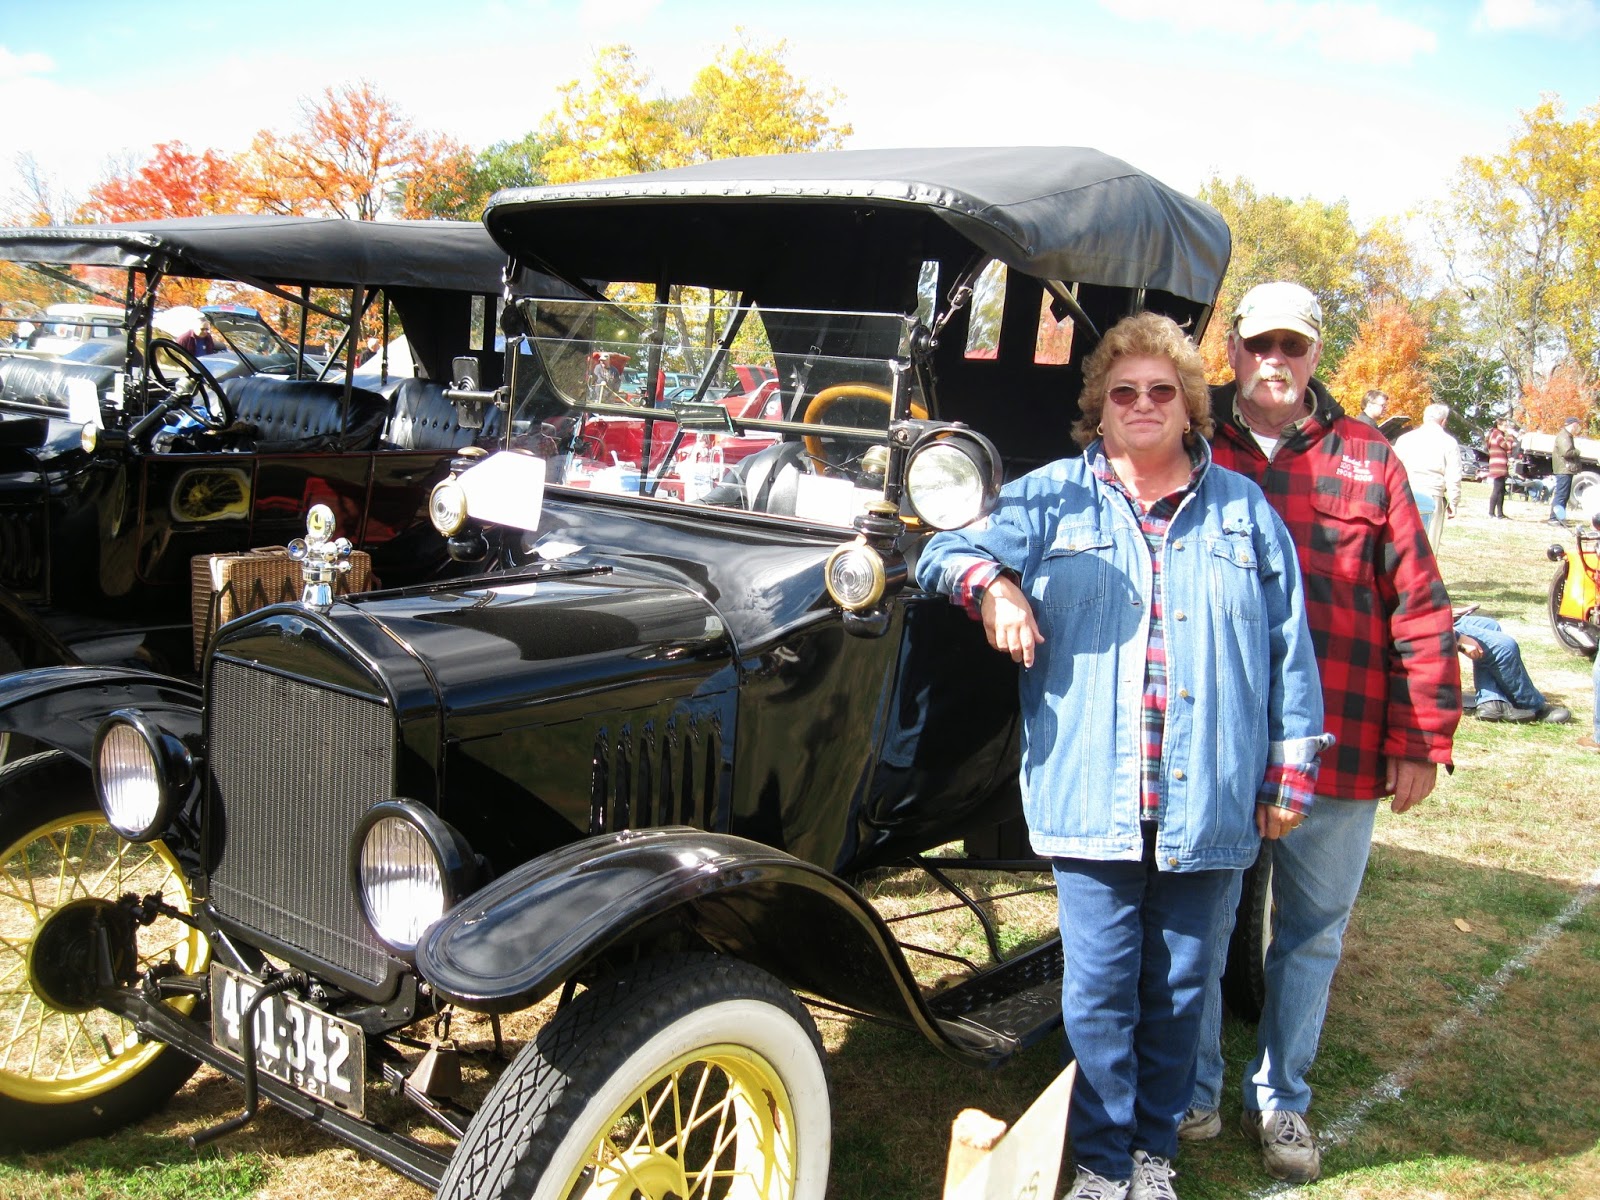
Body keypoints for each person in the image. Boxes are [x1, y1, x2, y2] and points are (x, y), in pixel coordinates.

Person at [917, 311, 1326, 1200]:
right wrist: (993, 586)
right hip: (1092, 795)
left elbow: (1292, 648)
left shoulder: (1243, 511)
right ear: (1098, 409)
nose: (1142, 404)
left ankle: (1153, 1157)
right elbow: (942, 551)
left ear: (1190, 407)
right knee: (1099, 992)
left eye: (1162, 390)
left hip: (1209, 798)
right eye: (1123, 391)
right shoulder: (1052, 496)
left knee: (1181, 990)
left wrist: (1290, 775)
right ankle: (1103, 1165)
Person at [1186, 282, 1459, 1183]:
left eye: (1292, 347)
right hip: (1214, 747)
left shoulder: (1370, 459)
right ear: (1233, 352)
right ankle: (1193, 1088)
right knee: (1200, 921)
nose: (1275, 360)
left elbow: (1417, 602)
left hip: (1338, 743)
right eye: (1259, 343)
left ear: (1314, 357)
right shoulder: (1187, 443)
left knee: (1309, 933)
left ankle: (1283, 1099)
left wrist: (1421, 736)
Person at [1455, 609, 1571, 722]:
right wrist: (1458, 638)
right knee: (1504, 647)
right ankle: (1532, 706)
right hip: (1438, 626)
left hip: (1440, 619)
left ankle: (1491, 701)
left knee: (1490, 625)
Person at [1393, 403, 1462, 549]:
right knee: (1428, 546)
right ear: (1443, 421)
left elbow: (1394, 468)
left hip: (1406, 492)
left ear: (1424, 418)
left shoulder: (1405, 439)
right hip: (1433, 493)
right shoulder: (1449, 442)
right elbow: (1453, 475)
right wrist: (1454, 502)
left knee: (1402, 542)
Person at [1550, 415, 1581, 526]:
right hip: (1564, 469)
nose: (1578, 428)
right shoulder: (1564, 436)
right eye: (1577, 425)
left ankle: (1559, 518)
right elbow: (1566, 453)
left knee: (1563, 495)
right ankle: (1554, 518)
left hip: (1565, 469)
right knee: (1561, 495)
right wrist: (1577, 451)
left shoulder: (1567, 436)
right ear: (1573, 425)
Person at [1485, 417, 1516, 520]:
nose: (1506, 428)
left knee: (1501, 489)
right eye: (1504, 425)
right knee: (1497, 489)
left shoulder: (1494, 434)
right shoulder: (1497, 434)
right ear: (1498, 425)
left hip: (1497, 464)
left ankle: (1500, 513)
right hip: (1498, 465)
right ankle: (1491, 513)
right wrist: (1511, 437)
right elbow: (1505, 445)